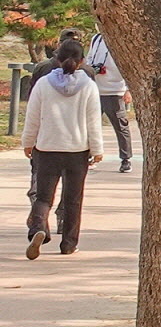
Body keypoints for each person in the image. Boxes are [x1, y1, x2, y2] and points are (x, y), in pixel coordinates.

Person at [22, 40, 104, 258]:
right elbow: (93, 121)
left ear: (56, 59)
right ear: (82, 61)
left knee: (43, 197)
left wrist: (28, 142)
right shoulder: (88, 86)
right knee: (73, 199)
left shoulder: (43, 84)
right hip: (77, 150)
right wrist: (97, 149)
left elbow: (32, 117)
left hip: (47, 148)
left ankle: (38, 228)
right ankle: (68, 244)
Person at [83, 31, 132, 172]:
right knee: (89, 125)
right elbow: (90, 57)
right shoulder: (97, 38)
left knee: (121, 126)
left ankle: (125, 159)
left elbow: (129, 66)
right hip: (94, 88)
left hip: (115, 90)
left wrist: (128, 89)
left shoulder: (122, 38)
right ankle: (88, 156)